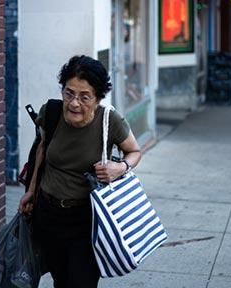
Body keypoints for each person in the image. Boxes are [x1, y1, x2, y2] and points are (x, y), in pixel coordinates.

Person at [18, 55, 142, 288]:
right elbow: (42, 149)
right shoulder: (52, 112)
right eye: (69, 93)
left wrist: (120, 167)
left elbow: (135, 151)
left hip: (87, 220)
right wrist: (31, 191)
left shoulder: (110, 120)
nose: (74, 103)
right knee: (60, 280)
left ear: (97, 99)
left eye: (84, 97)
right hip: (48, 215)